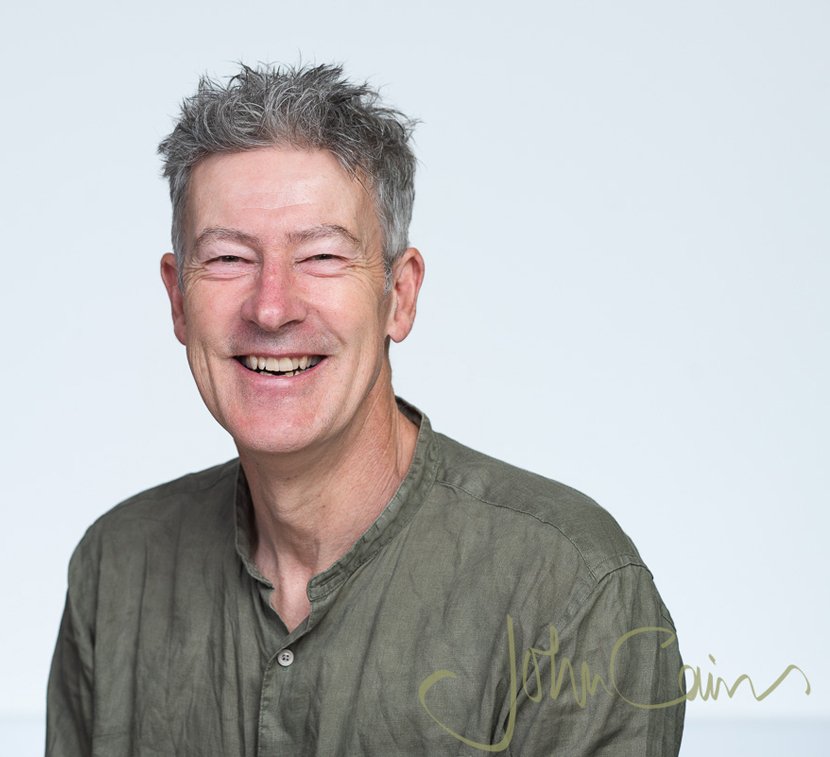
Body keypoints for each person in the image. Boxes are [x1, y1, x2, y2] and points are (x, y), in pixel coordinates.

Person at [46, 63, 685, 756]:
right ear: (178, 299)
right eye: (229, 258)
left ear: (400, 295)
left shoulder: (569, 592)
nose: (271, 307)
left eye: (321, 256)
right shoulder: (117, 572)